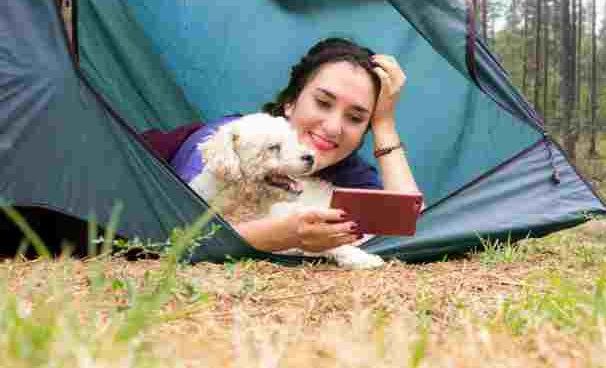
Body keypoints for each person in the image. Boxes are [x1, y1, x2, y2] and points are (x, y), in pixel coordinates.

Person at [170, 38, 421, 253]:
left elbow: (414, 228)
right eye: (323, 102)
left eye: (356, 118)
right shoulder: (234, 139)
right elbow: (176, 230)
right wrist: (280, 235)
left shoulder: (346, 172)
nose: (334, 127)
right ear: (290, 101)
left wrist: (385, 124)